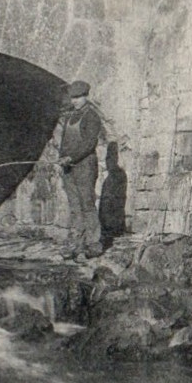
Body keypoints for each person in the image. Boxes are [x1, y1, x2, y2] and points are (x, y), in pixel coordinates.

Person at [57, 80, 103, 258]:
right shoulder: (69, 118)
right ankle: (76, 244)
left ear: (86, 96)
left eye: (78, 97)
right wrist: (62, 157)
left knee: (87, 205)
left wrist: (71, 158)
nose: (74, 101)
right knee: (75, 207)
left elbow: (89, 143)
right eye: (72, 98)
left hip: (85, 167)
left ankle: (93, 245)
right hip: (69, 168)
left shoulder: (92, 117)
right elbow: (63, 143)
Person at [99, 141, 127, 250]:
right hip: (107, 220)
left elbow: (118, 200)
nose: (108, 162)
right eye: (107, 159)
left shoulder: (119, 176)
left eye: (111, 158)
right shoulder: (109, 179)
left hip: (113, 218)